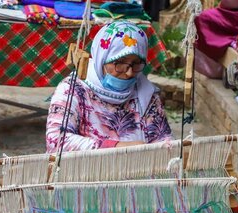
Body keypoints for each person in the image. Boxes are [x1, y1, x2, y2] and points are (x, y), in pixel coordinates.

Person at [46, 21, 172, 153]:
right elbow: (56, 141)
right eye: (120, 63)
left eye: (136, 64)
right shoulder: (73, 89)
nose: (129, 73)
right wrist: (116, 147)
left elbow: (163, 138)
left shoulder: (146, 93)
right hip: (85, 170)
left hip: (136, 169)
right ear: (102, 58)